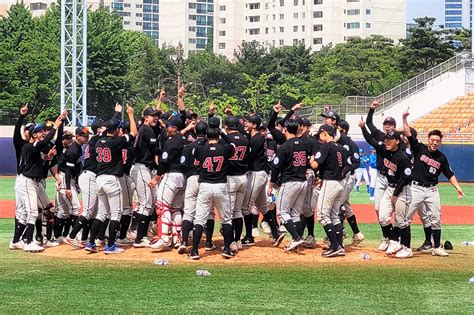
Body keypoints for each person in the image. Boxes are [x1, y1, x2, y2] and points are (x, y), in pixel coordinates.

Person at [402, 110, 464, 257]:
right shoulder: (419, 148)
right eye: (433, 140)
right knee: (406, 218)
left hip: (432, 191)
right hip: (415, 188)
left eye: (437, 141)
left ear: (440, 142)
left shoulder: (442, 158)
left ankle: (436, 247)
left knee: (436, 218)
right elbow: (407, 132)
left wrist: (459, 189)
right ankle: (405, 248)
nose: (435, 142)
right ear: (428, 139)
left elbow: (450, 175)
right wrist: (404, 118)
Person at [85, 105, 137, 254]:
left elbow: (111, 129)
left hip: (99, 180)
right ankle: (111, 246)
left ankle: (90, 243)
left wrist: (116, 115)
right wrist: (131, 115)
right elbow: (134, 132)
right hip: (111, 180)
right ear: (116, 130)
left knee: (101, 214)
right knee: (116, 214)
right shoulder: (117, 141)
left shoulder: (98, 141)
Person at [360, 121, 413, 258]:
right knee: (383, 217)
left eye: (390, 140)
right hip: (390, 188)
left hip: (403, 190)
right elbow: (370, 140)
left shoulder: (403, 157)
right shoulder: (385, 149)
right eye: (386, 140)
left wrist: (395, 194)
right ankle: (394, 241)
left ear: (397, 141)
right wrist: (362, 128)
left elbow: (406, 178)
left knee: (402, 221)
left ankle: (407, 248)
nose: (387, 142)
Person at [15, 113, 66, 252]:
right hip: (27, 181)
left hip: (34, 182)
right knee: (31, 212)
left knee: (48, 208)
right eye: (38, 132)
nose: (41, 133)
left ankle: (37, 239)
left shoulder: (34, 148)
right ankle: (29, 241)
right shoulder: (29, 146)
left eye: (41, 131)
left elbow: (41, 156)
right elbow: (43, 143)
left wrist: (48, 156)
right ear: (33, 135)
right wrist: (56, 125)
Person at [188, 125, 235, 260]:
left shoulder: (201, 149)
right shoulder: (225, 148)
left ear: (207, 137)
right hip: (221, 186)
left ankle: (195, 251)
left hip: (205, 186)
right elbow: (232, 144)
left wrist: (204, 139)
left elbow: (195, 149)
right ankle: (226, 249)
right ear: (218, 136)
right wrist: (222, 134)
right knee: (226, 219)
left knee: (200, 219)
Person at [309, 124, 351, 257]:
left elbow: (315, 164)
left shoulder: (326, 147)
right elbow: (348, 165)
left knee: (322, 215)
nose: (319, 138)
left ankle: (335, 246)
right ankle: (340, 246)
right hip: (340, 183)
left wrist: (311, 160)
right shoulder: (342, 149)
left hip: (330, 183)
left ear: (325, 133)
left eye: (320, 135)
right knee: (333, 215)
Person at [240, 113, 281, 246]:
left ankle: (248, 237)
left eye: (249, 122)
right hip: (261, 173)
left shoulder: (257, 139)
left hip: (257, 174)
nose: (246, 123)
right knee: (263, 207)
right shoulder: (258, 138)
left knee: (245, 207)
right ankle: (276, 233)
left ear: (255, 125)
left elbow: (248, 156)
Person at [269, 119, 309, 251]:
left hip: (290, 181)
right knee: (296, 213)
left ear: (285, 129)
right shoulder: (303, 144)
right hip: (303, 181)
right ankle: (295, 241)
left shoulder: (285, 146)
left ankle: (296, 238)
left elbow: (276, 167)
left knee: (282, 212)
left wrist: (272, 183)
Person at [130, 105, 161, 247]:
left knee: (148, 203)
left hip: (143, 167)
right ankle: (139, 238)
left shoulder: (144, 129)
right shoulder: (147, 129)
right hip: (142, 167)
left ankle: (142, 236)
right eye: (152, 115)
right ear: (145, 117)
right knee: (146, 203)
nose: (155, 117)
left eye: (156, 115)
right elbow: (155, 150)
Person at [177, 121, 208, 254]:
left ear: (195, 132)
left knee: (188, 210)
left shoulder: (188, 146)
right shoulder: (208, 145)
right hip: (205, 179)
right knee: (207, 212)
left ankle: (184, 241)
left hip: (191, 179)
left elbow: (182, 165)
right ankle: (209, 242)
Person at [60, 127, 91, 248]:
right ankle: (73, 237)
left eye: (87, 135)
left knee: (65, 210)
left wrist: (76, 183)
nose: (86, 137)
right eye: (84, 135)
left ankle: (70, 235)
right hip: (65, 179)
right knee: (76, 208)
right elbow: (68, 170)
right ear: (78, 136)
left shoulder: (78, 148)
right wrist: (68, 187)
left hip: (71, 179)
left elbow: (77, 168)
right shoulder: (73, 150)